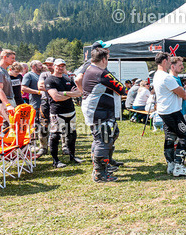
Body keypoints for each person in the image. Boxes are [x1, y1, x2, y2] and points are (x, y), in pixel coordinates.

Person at [80, 47, 129, 182]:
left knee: (109, 135)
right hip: (98, 111)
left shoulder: (90, 69)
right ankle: (99, 173)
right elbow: (121, 88)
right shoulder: (101, 73)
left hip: (97, 109)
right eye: (108, 58)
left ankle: (104, 164)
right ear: (104, 59)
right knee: (103, 139)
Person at [153, 52, 186, 177]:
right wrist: (185, 92)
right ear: (165, 61)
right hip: (172, 111)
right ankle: (179, 165)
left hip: (163, 110)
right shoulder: (167, 77)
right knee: (185, 135)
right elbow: (183, 94)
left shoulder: (157, 75)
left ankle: (171, 164)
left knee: (170, 137)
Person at [45, 58, 83, 168]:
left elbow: (79, 93)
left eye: (62, 66)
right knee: (55, 136)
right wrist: (70, 94)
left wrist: (64, 93)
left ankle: (72, 156)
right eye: (58, 66)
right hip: (57, 112)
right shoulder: (50, 80)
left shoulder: (68, 79)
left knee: (72, 135)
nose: (60, 68)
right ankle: (55, 161)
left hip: (70, 111)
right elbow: (55, 97)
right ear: (53, 66)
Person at [0, 49, 18, 121]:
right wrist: (8, 105)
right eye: (12, 58)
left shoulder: (4, 70)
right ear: (5, 57)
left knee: (7, 126)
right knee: (13, 125)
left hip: (5, 102)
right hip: (4, 103)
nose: (14, 61)